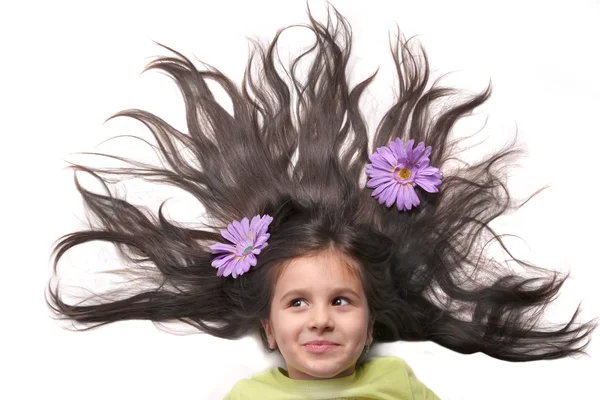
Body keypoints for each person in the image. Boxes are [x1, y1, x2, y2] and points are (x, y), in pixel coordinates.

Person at [45, 4, 596, 399]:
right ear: (267, 328)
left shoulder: (397, 386)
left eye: (341, 302)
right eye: (297, 303)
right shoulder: (249, 395)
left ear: (372, 320)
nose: (321, 321)